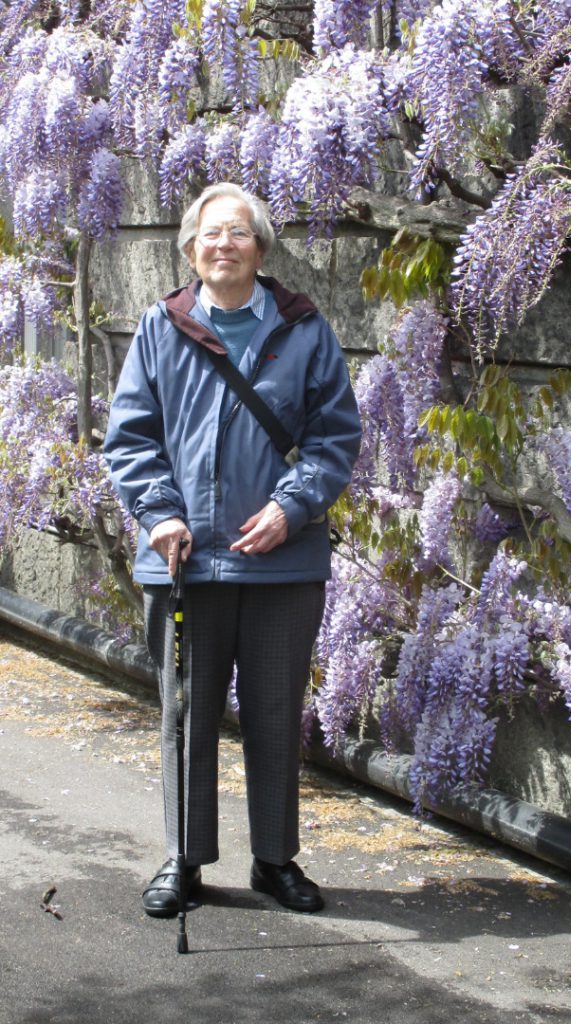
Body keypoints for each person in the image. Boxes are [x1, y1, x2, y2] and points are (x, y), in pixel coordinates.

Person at [104, 182, 361, 916]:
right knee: (186, 714)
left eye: (239, 233)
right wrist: (159, 516)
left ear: (260, 248)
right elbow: (131, 437)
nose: (225, 245)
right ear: (192, 249)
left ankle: (274, 860)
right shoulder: (161, 327)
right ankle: (184, 859)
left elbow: (335, 436)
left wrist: (292, 507)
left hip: (282, 561)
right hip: (184, 560)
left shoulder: (304, 328)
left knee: (276, 714)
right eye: (211, 234)